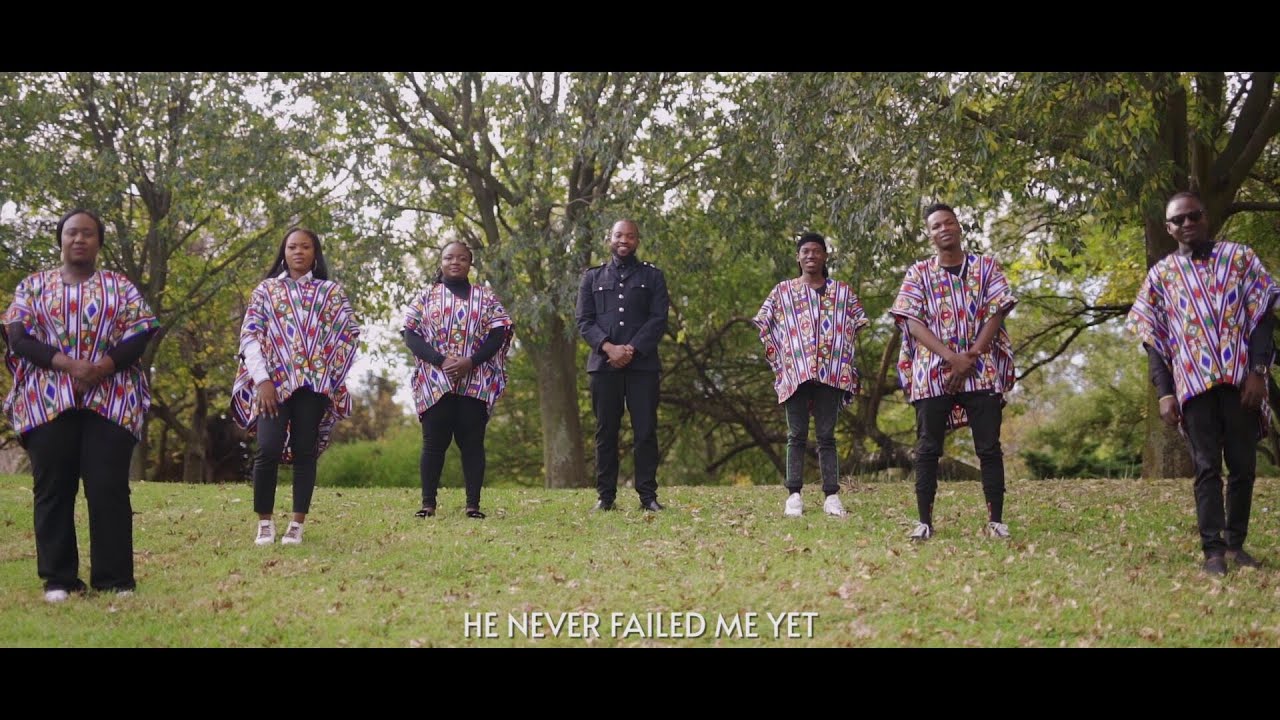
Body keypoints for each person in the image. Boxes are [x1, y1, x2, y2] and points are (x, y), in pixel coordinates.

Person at [1, 209, 160, 602]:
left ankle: (115, 579)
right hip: (48, 399)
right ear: (60, 239)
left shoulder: (120, 287)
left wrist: (99, 368)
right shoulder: (34, 286)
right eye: (72, 232)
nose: (79, 239)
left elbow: (140, 333)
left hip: (111, 398)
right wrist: (70, 366)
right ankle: (59, 580)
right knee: (53, 488)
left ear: (98, 241)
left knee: (108, 487)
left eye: (88, 233)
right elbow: (18, 337)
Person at [1126, 191, 1279, 575]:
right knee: (1207, 468)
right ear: (1168, 228)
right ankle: (1213, 552)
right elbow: (1154, 339)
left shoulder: (1240, 258)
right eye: (1178, 220)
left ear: (1205, 217)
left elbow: (1263, 316)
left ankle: (1236, 545)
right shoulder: (1160, 276)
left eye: (1193, 215)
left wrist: (1259, 372)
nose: (1187, 223)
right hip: (1193, 385)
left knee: (1243, 467)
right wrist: (1164, 392)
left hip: (1241, 380)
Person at [890, 203, 1017, 541]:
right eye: (935, 226)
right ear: (929, 235)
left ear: (959, 227)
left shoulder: (986, 267)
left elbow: (996, 312)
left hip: (981, 369)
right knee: (927, 448)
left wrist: (970, 357)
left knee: (988, 448)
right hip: (933, 372)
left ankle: (996, 521)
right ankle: (924, 522)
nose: (943, 229)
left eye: (948, 223)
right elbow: (912, 322)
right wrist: (951, 358)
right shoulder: (918, 273)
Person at [230, 227, 361, 546]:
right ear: (284, 253)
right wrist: (262, 380)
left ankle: (296, 525)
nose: (298, 252)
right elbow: (250, 335)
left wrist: (329, 377)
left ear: (315, 253)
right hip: (272, 384)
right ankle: (265, 523)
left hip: (314, 386)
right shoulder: (266, 290)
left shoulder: (330, 293)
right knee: (268, 448)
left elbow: (348, 336)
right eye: (292, 247)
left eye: (305, 247)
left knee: (305, 451)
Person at [752, 232, 870, 517]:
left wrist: (840, 352)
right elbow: (764, 324)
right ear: (798, 257)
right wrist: (783, 359)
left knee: (827, 435)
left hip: (831, 373)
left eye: (816, 251)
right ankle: (794, 495)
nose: (811, 256)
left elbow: (858, 322)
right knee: (796, 434)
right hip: (796, 372)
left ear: (825, 256)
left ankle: (832, 496)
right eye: (805, 251)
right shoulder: (783, 291)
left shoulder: (842, 292)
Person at [402, 241, 513, 519]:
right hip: (435, 381)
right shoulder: (426, 296)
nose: (455, 262)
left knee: (472, 444)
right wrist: (441, 361)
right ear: (441, 262)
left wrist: (471, 362)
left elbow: (499, 333)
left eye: (462, 258)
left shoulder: (485, 297)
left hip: (474, 380)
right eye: (449, 257)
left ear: (470, 263)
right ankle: (428, 504)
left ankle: (473, 505)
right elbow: (410, 334)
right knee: (433, 445)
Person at [575, 219, 670, 512]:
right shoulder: (592, 278)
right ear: (610, 238)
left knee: (645, 431)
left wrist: (631, 349)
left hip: (643, 366)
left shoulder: (653, 277)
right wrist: (609, 348)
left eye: (630, 236)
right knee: (606, 432)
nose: (624, 241)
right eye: (619, 235)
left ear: (637, 241)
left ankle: (648, 496)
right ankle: (605, 497)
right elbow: (584, 321)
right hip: (604, 366)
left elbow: (658, 319)